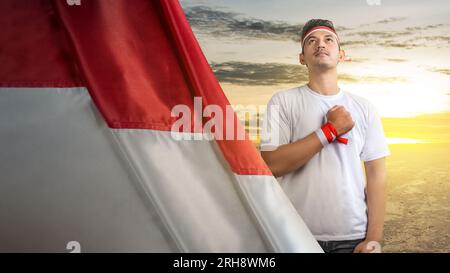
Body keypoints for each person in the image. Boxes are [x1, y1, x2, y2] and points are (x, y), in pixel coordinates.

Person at [260, 19, 390, 253]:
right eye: (312, 41)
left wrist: (374, 238)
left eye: (328, 39)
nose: (321, 44)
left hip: (352, 235)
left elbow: (376, 174)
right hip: (295, 233)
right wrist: (330, 130)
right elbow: (272, 164)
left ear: (341, 55)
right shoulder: (282, 101)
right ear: (302, 58)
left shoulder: (364, 108)